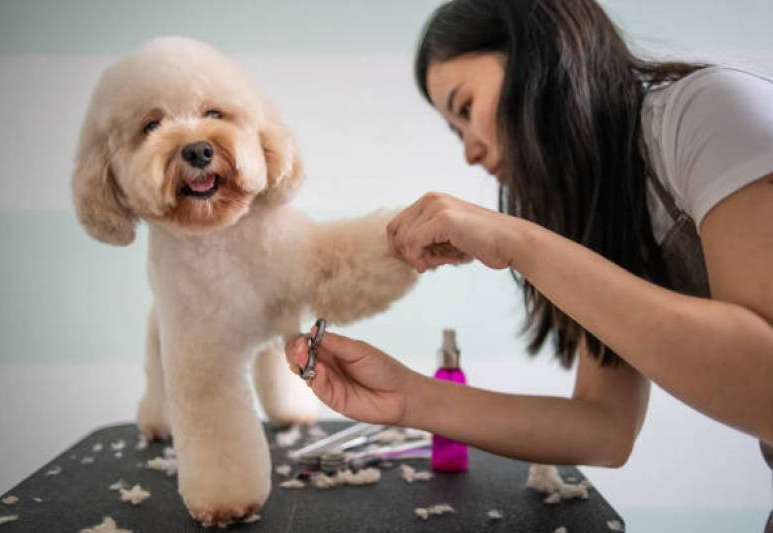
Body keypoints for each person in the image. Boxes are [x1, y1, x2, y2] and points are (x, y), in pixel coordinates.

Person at [285, 0, 773, 524]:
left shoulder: (707, 110)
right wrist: (404, 398)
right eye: (455, 130)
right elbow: (604, 428)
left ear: (539, 51)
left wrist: (520, 241)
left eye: (466, 108)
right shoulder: (605, 203)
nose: (469, 153)